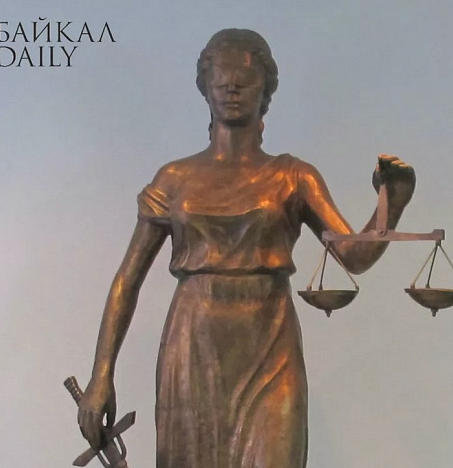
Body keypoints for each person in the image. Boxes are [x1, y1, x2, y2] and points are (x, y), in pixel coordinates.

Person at [77, 29, 415, 468]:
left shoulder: (294, 176)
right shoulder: (174, 179)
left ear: (266, 90)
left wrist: (391, 204)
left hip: (270, 342)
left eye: (245, 77)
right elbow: (128, 279)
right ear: (205, 86)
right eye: (221, 75)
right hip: (194, 345)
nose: (231, 85)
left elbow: (354, 256)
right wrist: (101, 375)